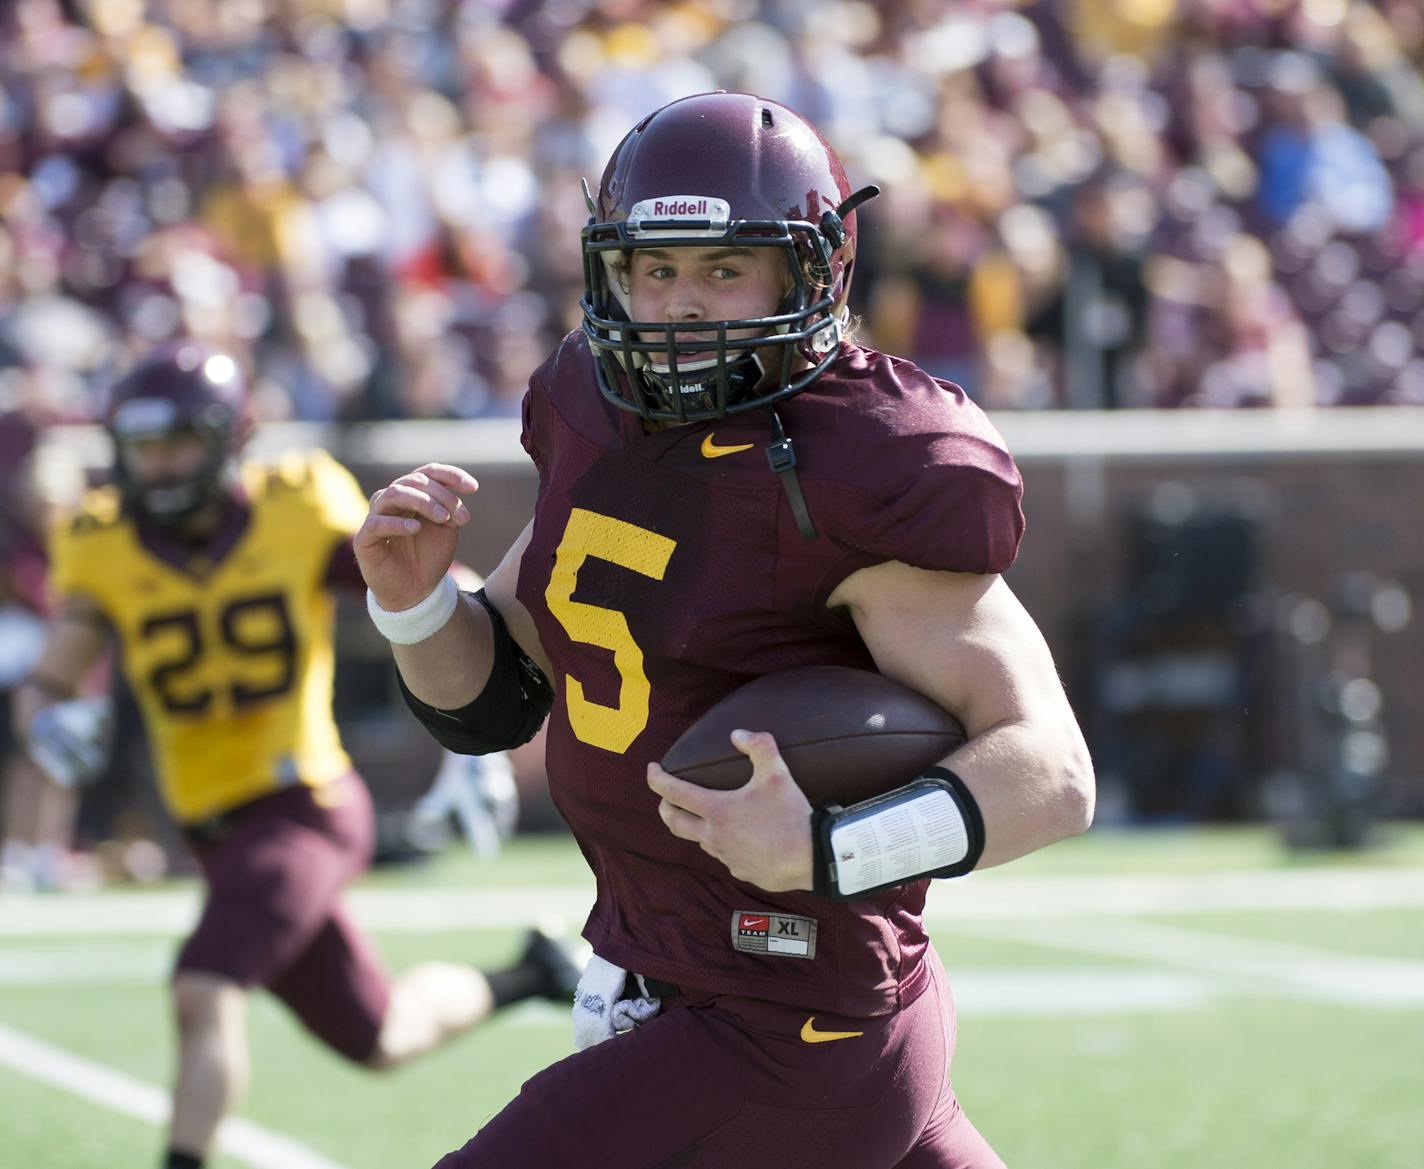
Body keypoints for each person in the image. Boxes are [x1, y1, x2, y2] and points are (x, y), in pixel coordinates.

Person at [357, 91, 1095, 1169]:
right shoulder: (589, 408)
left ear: (811, 271)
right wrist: (414, 600)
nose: (681, 306)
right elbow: (498, 692)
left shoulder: (860, 465)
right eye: (655, 272)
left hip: (788, 1013)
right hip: (683, 971)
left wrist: (829, 846)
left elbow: (1052, 771)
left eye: (721, 269)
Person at [14, 341, 582, 1169]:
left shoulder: (295, 505)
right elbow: (51, 677)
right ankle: (529, 975)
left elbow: (417, 585)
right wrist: (45, 717)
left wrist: (470, 737)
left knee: (203, 985)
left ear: (229, 436)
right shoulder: (103, 541)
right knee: (380, 1034)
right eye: (144, 445)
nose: (160, 464)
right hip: (212, 829)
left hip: (300, 805)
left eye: (176, 440)